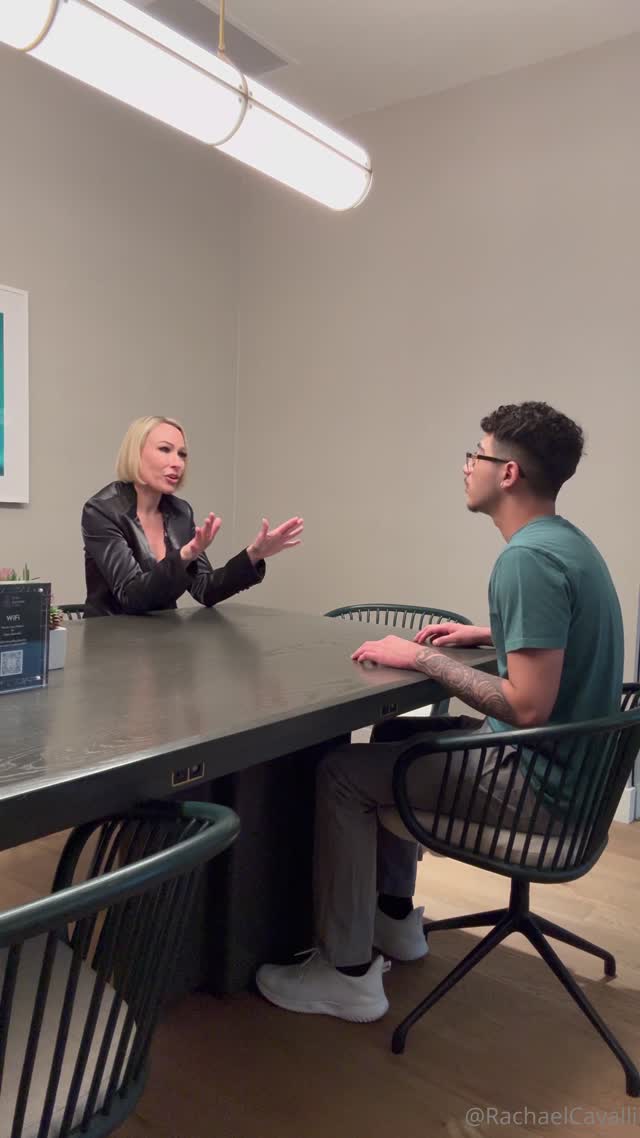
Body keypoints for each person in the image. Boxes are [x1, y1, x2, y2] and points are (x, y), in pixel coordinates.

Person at [256, 401, 623, 1022]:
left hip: (538, 783)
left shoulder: (526, 560)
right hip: (577, 776)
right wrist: (490, 634)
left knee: (341, 773)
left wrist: (420, 658)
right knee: (395, 731)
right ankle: (394, 919)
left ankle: (347, 975)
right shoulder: (566, 543)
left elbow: (527, 706)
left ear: (508, 473)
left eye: (476, 454)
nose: (466, 466)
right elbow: (562, 636)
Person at [82, 415, 303, 617]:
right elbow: (131, 596)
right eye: (165, 449)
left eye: (182, 454)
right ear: (136, 454)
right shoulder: (101, 510)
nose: (177, 463)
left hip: (162, 638)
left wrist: (253, 555)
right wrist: (185, 555)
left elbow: (204, 589)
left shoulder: (180, 512)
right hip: (111, 638)